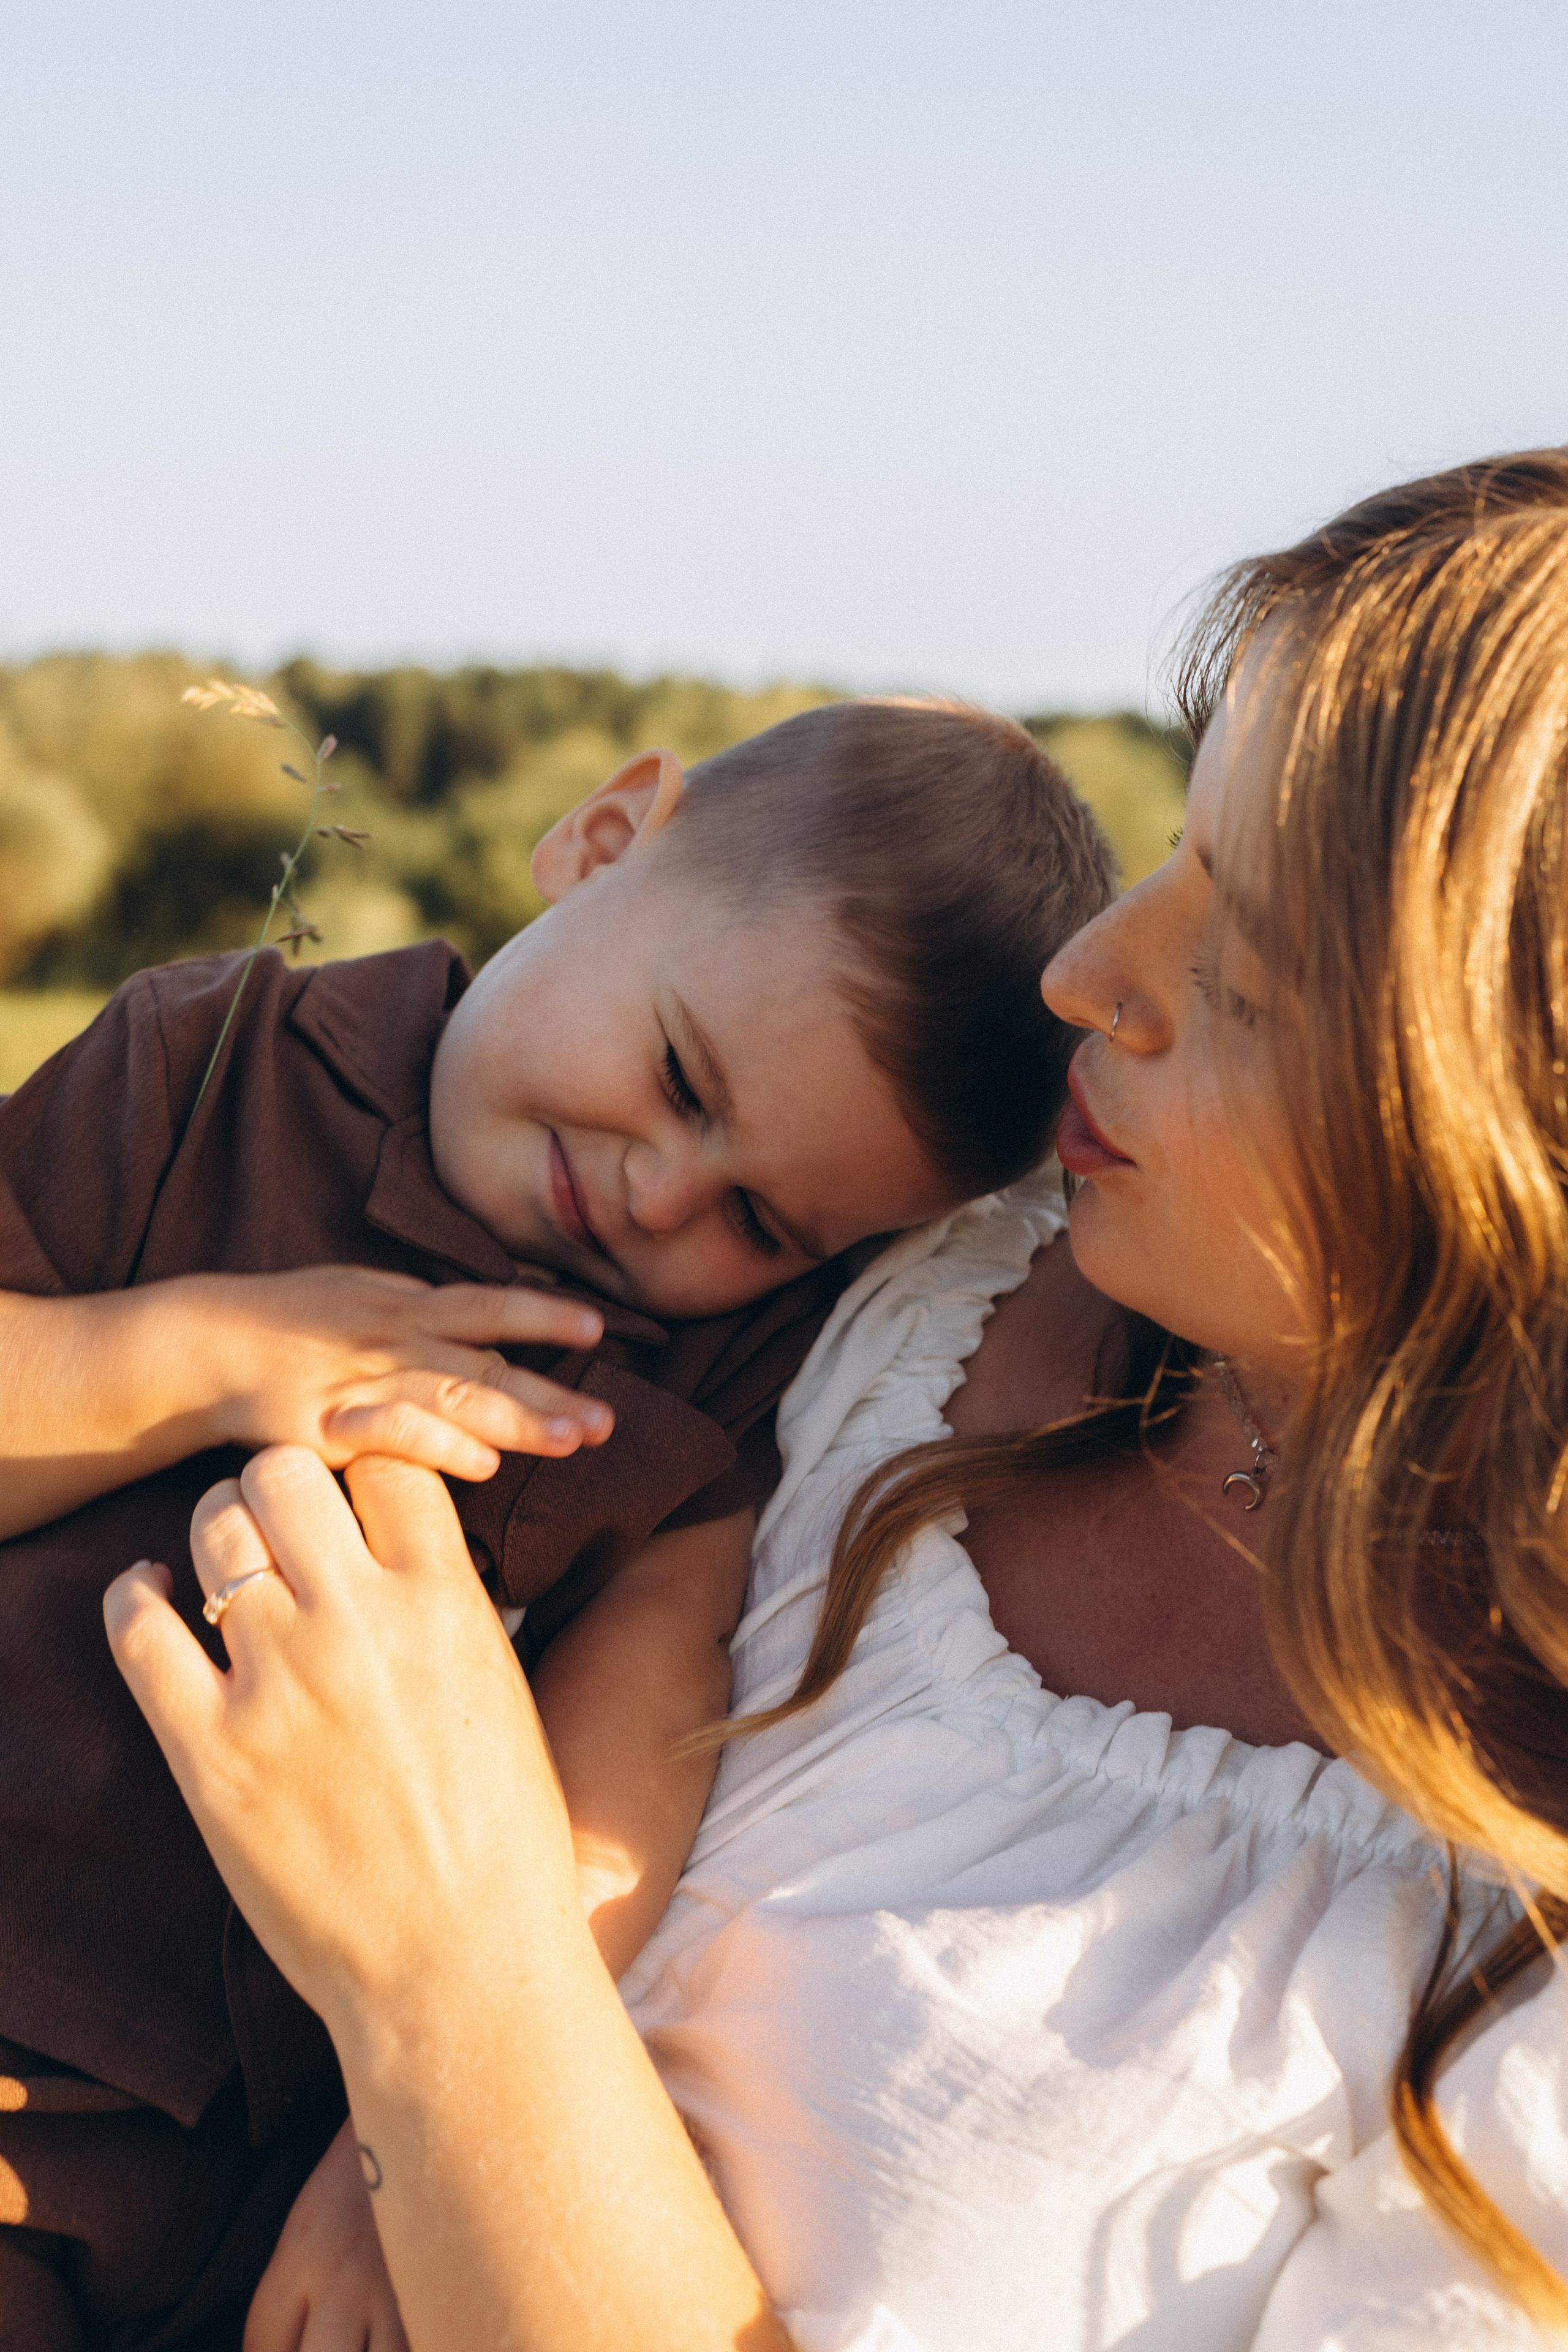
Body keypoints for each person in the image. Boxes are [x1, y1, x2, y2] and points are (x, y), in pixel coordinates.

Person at [107, 450, 1568, 2352]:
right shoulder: (896, 1280)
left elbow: (456, 1974)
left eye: (1250, 976)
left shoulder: (1511, 1981)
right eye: (1179, 851)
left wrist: (445, 2001)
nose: (1083, 975)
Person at [0, 695, 1114, 2348]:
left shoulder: (716, 1374)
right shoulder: (210, 1071)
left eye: (761, 1219)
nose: (661, 1193)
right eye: (680, 1078)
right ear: (600, 843)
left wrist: (407, 2143)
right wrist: (207, 1356)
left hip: (256, 2184)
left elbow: (633, 1746)